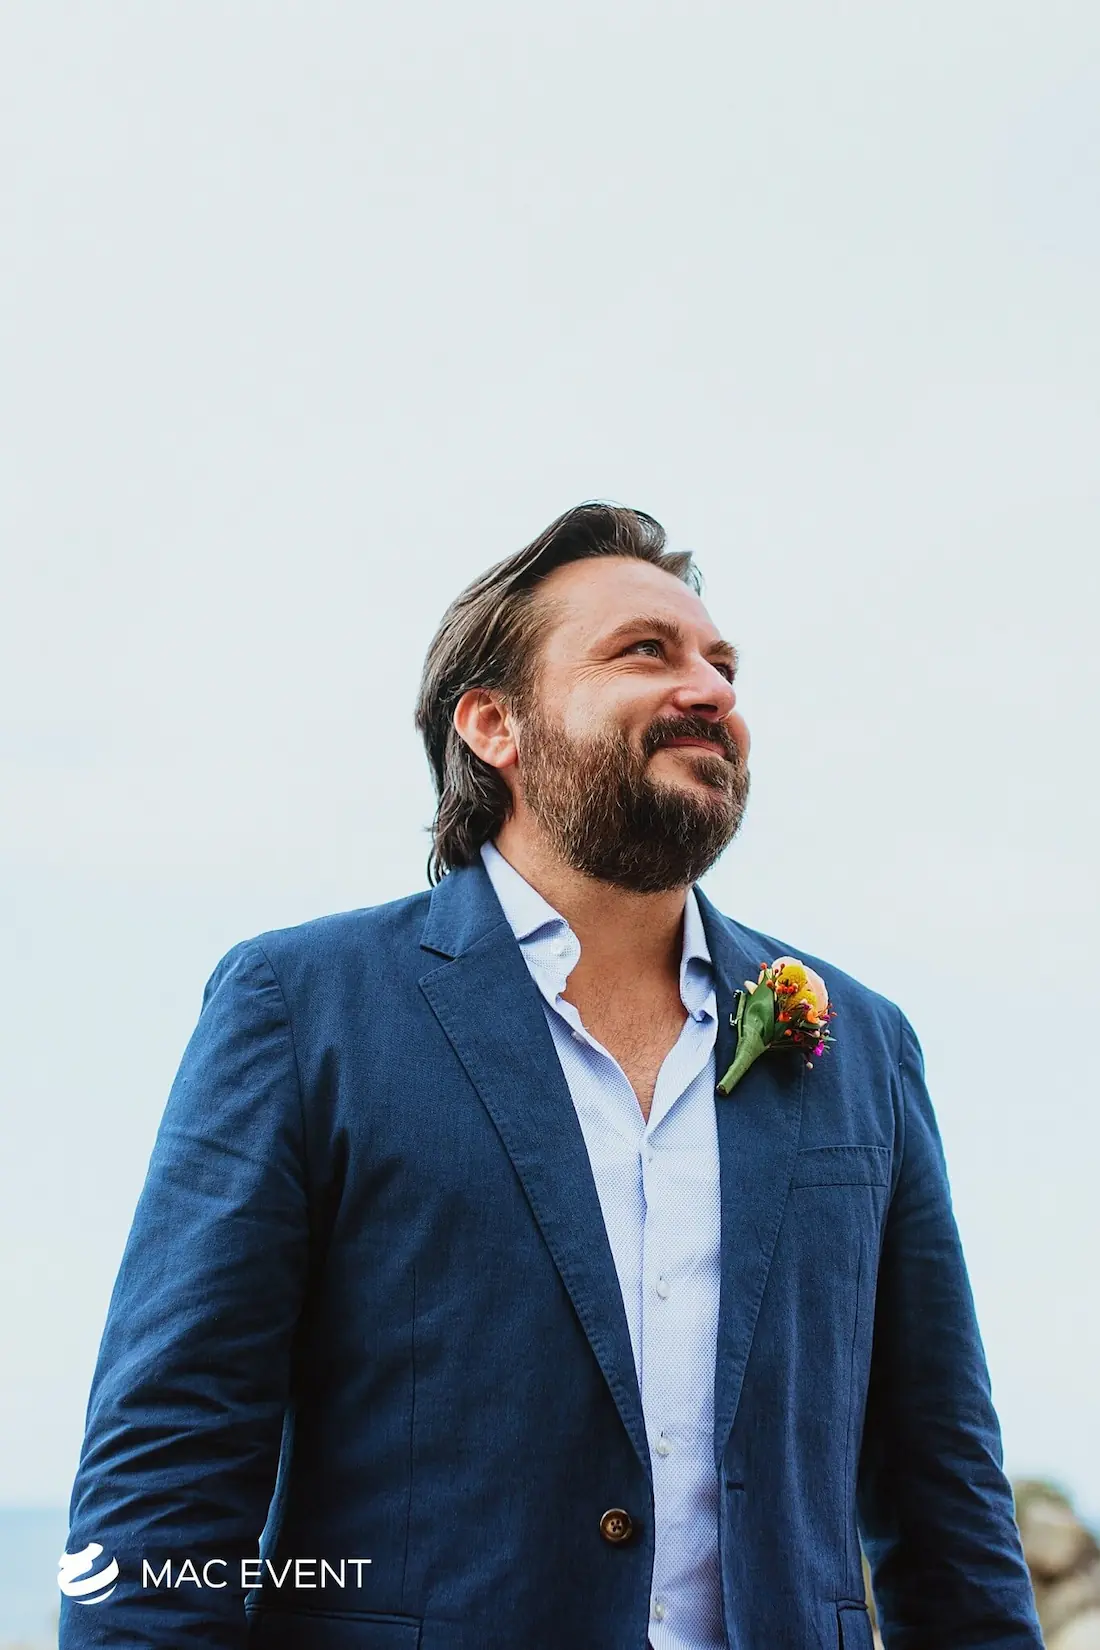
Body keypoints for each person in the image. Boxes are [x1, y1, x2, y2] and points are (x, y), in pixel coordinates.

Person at [59, 503, 1043, 1649]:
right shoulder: (303, 1007)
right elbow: (166, 1467)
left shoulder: (861, 1044)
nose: (710, 690)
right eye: (645, 652)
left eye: (722, 666)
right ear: (493, 724)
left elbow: (943, 1489)